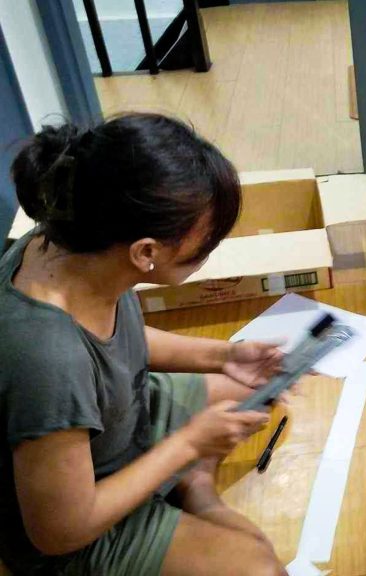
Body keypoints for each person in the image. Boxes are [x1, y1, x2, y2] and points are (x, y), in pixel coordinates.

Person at [0, 114, 288, 575]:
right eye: (204, 244)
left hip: (119, 426)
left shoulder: (75, 240)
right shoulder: (48, 359)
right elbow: (58, 532)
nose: (208, 253)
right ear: (146, 252)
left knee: (249, 392)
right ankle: (187, 482)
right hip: (78, 522)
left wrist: (225, 356)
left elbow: (116, 345)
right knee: (260, 566)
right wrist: (189, 444)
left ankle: (192, 487)